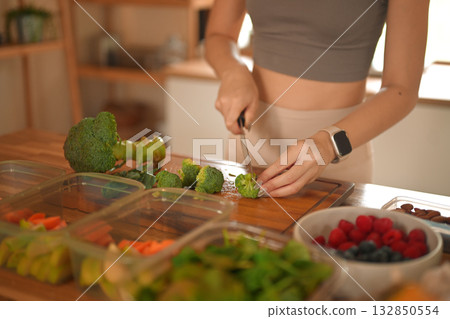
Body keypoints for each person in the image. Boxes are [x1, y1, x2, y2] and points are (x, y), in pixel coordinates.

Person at [205, 0, 429, 197]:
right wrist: (233, 71)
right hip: (248, 145)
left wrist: (328, 144)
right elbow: (218, 35)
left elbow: (402, 90)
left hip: (337, 157)